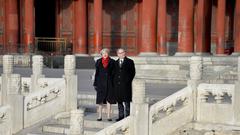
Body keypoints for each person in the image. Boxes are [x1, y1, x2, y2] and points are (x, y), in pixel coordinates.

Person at [93, 48, 115, 121]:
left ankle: (109, 116)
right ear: (101, 54)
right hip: (100, 83)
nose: (105, 54)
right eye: (103, 53)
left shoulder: (112, 62)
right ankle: (100, 116)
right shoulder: (98, 62)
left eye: (106, 53)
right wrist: (95, 83)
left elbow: (114, 74)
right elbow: (96, 74)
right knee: (100, 101)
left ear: (108, 54)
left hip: (109, 83)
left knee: (109, 100)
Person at [113, 48, 135, 121]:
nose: (121, 54)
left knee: (127, 102)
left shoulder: (130, 62)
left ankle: (128, 117)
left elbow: (132, 73)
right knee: (119, 102)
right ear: (117, 54)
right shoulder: (115, 62)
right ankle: (121, 116)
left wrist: (127, 81)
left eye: (122, 52)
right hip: (118, 86)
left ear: (124, 53)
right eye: (119, 53)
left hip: (126, 86)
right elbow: (114, 73)